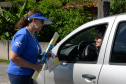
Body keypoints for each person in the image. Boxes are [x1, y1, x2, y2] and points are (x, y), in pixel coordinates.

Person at [7, 10, 52, 84]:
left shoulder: (33, 35)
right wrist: (34, 66)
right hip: (19, 74)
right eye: (42, 21)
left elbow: (31, 54)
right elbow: (13, 57)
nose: (43, 24)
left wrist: (44, 55)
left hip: (29, 74)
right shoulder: (23, 34)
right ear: (34, 20)